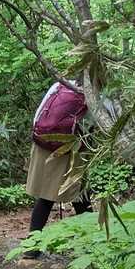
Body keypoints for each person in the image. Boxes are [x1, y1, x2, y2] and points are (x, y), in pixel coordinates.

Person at [23, 77, 91, 259]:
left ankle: (32, 246)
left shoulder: (60, 85)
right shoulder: (96, 95)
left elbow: (38, 116)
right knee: (79, 194)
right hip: (71, 148)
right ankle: (92, 242)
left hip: (44, 145)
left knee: (47, 195)